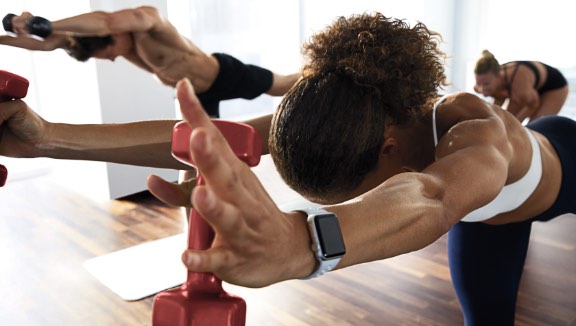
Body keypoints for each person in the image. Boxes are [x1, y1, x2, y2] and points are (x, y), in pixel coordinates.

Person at [1, 13, 574, 326]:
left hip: (564, 164)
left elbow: (429, 196)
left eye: (355, 189)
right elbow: (215, 134)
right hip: (491, 219)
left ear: (387, 149)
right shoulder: (348, 107)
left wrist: (307, 245)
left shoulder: (478, 131)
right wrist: (47, 138)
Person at [0, 6, 300, 117]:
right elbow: (44, 46)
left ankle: (329, 73)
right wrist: (18, 33)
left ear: (114, 33)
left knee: (284, 85)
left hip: (224, 75)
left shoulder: (150, 24)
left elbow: (107, 20)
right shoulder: (111, 43)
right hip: (195, 95)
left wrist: (50, 23)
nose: (115, 57)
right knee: (197, 153)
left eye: (110, 50)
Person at [474, 49, 569, 123]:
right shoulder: (487, 82)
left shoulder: (519, 85)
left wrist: (516, 124)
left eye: (486, 84)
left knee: (534, 128)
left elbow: (534, 104)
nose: (482, 88)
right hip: (526, 89)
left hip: (554, 87)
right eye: (479, 83)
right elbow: (496, 107)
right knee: (504, 121)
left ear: (499, 77)